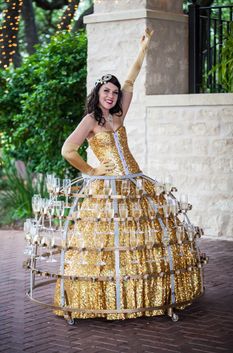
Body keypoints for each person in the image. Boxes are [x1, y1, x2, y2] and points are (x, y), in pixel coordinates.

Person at [53, 28, 206, 322]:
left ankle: (148, 295)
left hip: (135, 181)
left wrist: (144, 48)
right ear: (97, 94)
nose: (111, 95)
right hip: (108, 187)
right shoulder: (90, 120)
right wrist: (92, 170)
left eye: (113, 92)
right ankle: (108, 298)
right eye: (106, 91)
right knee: (111, 242)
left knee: (143, 239)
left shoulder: (119, 115)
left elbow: (131, 79)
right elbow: (67, 150)